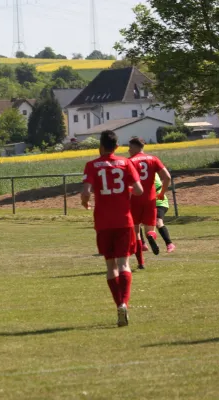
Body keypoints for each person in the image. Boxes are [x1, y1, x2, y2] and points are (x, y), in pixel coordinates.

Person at [82, 131, 143, 327]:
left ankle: (119, 304)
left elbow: (86, 191)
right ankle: (125, 302)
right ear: (117, 147)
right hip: (124, 221)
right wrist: (126, 190)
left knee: (110, 266)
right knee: (124, 264)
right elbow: (139, 190)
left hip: (103, 222)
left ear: (100, 146)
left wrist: (85, 202)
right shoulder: (126, 163)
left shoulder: (91, 165)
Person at [128, 137, 171, 270]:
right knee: (150, 230)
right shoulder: (153, 159)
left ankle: (141, 263)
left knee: (136, 232)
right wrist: (162, 192)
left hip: (134, 199)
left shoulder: (129, 162)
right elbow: (167, 177)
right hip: (151, 199)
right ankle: (151, 237)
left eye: (130, 147)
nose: (129, 150)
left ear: (135, 147)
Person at [141, 173, 175, 253]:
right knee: (138, 223)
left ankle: (169, 244)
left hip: (159, 202)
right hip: (147, 203)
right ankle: (142, 243)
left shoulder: (151, 173)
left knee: (158, 222)